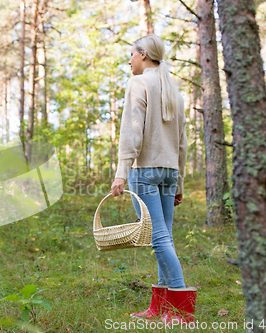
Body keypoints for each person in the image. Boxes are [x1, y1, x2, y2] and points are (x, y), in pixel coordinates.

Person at [110, 35, 197, 323]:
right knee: (165, 238)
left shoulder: (138, 83)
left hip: (145, 170)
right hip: (170, 172)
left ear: (144, 55)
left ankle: (182, 310)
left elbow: (131, 133)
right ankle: (160, 308)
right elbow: (183, 143)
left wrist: (121, 173)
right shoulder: (174, 90)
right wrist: (180, 183)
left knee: (158, 239)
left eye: (132, 55)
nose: (130, 60)